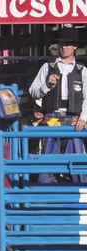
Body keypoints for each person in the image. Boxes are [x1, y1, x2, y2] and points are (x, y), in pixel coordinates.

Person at [29, 26, 87, 184]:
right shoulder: (47, 67)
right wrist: (47, 85)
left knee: (76, 159)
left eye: (68, 43)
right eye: (62, 43)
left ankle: (80, 191)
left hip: (73, 121)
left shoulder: (82, 71)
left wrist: (83, 118)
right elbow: (33, 92)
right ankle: (43, 193)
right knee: (47, 158)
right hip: (51, 120)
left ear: (75, 46)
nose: (64, 47)